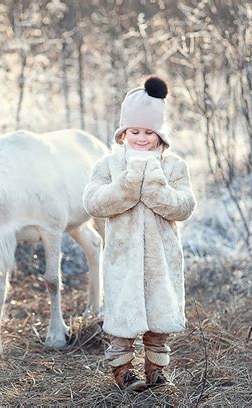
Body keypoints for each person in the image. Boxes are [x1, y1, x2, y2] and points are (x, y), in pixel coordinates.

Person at [82, 77, 196, 392]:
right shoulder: (108, 165)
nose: (142, 138)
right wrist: (129, 182)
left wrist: (156, 184)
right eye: (135, 132)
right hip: (122, 259)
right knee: (122, 318)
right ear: (123, 133)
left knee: (159, 321)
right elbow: (94, 202)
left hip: (161, 260)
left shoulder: (173, 166)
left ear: (159, 133)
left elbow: (183, 206)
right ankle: (122, 372)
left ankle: (157, 371)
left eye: (149, 132)